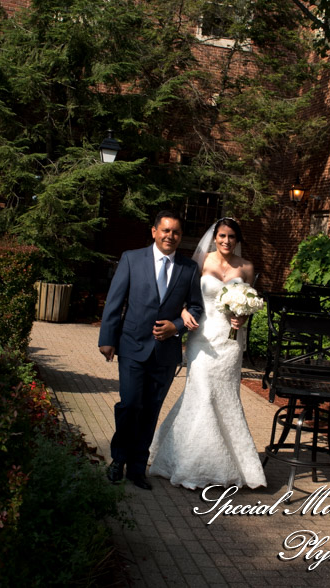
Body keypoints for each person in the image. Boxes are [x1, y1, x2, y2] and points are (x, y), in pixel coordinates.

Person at [148, 217, 267, 489]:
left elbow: (250, 304)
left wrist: (243, 319)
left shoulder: (246, 267)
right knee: (200, 393)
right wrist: (183, 313)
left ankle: (229, 464)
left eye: (232, 237)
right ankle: (190, 462)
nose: (226, 241)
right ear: (215, 237)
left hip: (230, 343)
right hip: (202, 337)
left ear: (238, 240)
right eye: (222, 236)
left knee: (225, 397)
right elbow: (179, 295)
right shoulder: (199, 262)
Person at [99, 210, 203, 490]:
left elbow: (196, 307)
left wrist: (177, 326)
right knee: (130, 404)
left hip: (165, 353)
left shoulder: (188, 268)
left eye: (176, 232)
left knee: (150, 410)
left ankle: (136, 468)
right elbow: (115, 300)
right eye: (166, 230)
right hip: (132, 346)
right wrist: (107, 338)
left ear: (180, 237)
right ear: (154, 231)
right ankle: (118, 459)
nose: (171, 236)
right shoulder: (132, 258)